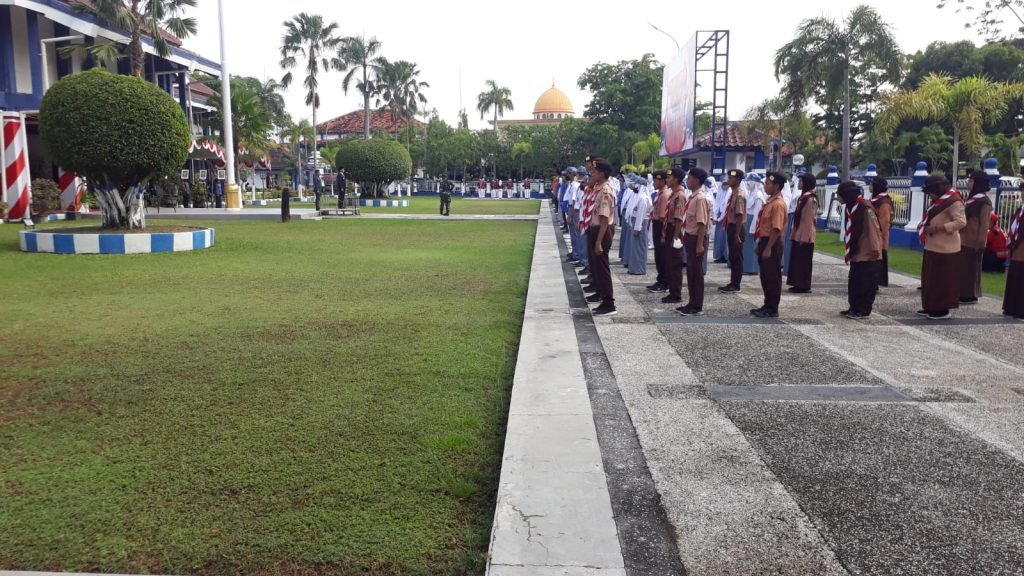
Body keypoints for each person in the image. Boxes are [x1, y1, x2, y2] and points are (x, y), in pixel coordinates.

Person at [918, 174, 967, 320]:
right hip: (931, 246)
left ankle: (942, 310)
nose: (930, 195)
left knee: (943, 280)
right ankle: (930, 306)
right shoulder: (937, 201)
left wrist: (939, 228)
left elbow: (961, 222)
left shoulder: (954, 201)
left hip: (946, 248)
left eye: (931, 192)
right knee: (930, 280)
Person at [837, 181, 884, 319]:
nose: (838, 198)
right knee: (854, 281)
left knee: (866, 282)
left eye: (840, 195)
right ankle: (854, 306)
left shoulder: (865, 208)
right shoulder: (851, 207)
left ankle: (863, 310)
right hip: (856, 251)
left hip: (867, 252)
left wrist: (875, 251)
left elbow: (874, 229)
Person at [752, 172, 788, 318]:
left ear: (776, 186)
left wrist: (768, 248)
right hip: (765, 240)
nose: (765, 186)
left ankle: (772, 308)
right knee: (765, 276)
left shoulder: (778, 204)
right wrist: (760, 244)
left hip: (772, 242)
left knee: (772, 277)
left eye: (768, 184)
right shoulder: (770, 202)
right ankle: (767, 304)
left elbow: (776, 228)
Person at [677, 168, 712, 316]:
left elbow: (702, 223)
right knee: (691, 272)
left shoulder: (700, 199)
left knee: (696, 273)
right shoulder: (692, 197)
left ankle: (697, 306)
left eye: (690, 178)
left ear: (697, 180)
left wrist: (699, 245)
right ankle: (691, 302)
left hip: (696, 238)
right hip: (690, 237)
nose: (687, 180)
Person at [586, 158, 617, 315]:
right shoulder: (598, 188)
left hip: (602, 231)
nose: (592, 173)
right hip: (596, 229)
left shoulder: (605, 191)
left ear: (602, 174)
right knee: (597, 267)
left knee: (602, 268)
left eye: (595, 171)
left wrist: (598, 242)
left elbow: (604, 219)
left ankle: (609, 303)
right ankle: (602, 296)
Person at [960, 170, 994, 304]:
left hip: (974, 240)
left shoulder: (984, 201)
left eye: (971, 181)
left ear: (977, 183)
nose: (968, 183)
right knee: (963, 267)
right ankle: (962, 292)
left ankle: (970, 294)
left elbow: (984, 224)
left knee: (972, 268)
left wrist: (980, 243)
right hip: (963, 238)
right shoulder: (970, 199)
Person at [787, 173, 818, 294]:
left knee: (803, 261)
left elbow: (809, 220)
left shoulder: (811, 199)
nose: (799, 183)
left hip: (805, 236)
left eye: (801, 181)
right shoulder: (803, 197)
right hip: (798, 233)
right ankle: (797, 283)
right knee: (797, 260)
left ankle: (803, 285)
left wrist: (804, 237)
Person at [661, 168, 687, 304]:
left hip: (675, 230)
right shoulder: (673, 194)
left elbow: (678, 219)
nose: (667, 180)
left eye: (669, 178)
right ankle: (672, 291)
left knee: (675, 264)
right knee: (669, 262)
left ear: (676, 179)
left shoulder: (679, 196)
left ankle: (676, 294)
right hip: (670, 228)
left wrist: (676, 238)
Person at [719, 169, 747, 293]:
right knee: (733, 256)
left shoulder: (739, 195)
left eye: (731, 178)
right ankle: (733, 282)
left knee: (737, 257)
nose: (728, 180)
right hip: (732, 227)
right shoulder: (733, 194)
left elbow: (740, 215)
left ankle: (736, 284)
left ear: (738, 180)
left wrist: (737, 234)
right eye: (729, 177)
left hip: (737, 228)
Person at [647, 171, 671, 293]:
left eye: (655, 181)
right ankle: (660, 279)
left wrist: (663, 234)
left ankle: (664, 282)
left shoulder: (664, 195)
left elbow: (663, 217)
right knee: (658, 255)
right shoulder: (659, 194)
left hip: (661, 226)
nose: (653, 183)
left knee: (662, 256)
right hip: (656, 224)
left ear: (662, 181)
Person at [870, 176, 893, 287]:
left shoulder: (884, 202)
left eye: (872, 185)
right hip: (872, 235)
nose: (870, 186)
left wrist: (877, 236)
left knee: (878, 261)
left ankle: (875, 284)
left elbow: (884, 222)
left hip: (879, 237)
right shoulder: (876, 200)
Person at [628, 175, 653, 276]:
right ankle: (634, 268)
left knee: (639, 248)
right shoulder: (639, 197)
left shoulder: (643, 199)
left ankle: (639, 268)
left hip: (640, 224)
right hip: (637, 223)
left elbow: (640, 215)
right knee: (635, 248)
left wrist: (637, 228)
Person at [1003, 204, 1024, 318]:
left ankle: (1020, 309)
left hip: (1021, 247)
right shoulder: (1020, 209)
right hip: (1016, 246)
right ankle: (1010, 307)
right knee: (1014, 276)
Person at [743, 173, 766, 275]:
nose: (748, 184)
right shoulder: (750, 193)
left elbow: (757, 214)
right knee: (747, 246)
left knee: (752, 246)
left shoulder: (758, 196)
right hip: (748, 220)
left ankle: (752, 268)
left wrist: (753, 228)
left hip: (753, 221)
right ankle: (747, 267)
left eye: (750, 182)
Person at [712, 177, 731, 264]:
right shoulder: (720, 193)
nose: (725, 186)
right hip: (719, 219)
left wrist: (719, 218)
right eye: (724, 184)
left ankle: (726, 256)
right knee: (719, 238)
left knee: (725, 238)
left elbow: (726, 208)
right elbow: (716, 205)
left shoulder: (729, 193)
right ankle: (720, 255)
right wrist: (715, 217)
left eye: (727, 184)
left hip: (726, 218)